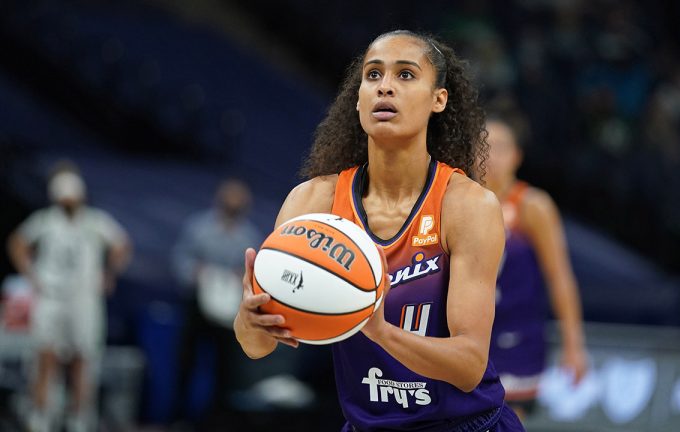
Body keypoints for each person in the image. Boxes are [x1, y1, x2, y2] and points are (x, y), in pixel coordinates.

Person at [234, 30, 525, 431]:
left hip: (464, 425)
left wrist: (380, 331)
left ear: (438, 99)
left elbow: (469, 366)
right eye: (373, 76)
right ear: (358, 99)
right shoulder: (312, 203)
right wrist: (251, 322)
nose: (385, 86)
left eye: (405, 75)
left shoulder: (466, 205)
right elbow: (257, 347)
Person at [6, 160, 132, 432]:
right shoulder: (45, 221)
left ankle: (79, 418)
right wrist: (30, 274)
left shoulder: (94, 221)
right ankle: (40, 417)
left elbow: (122, 245)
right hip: (51, 297)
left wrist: (110, 272)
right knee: (45, 357)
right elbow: (17, 242)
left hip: (84, 299)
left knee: (83, 359)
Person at [484, 117, 588, 420]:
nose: (490, 155)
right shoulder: (460, 200)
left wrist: (574, 345)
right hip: (470, 336)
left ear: (517, 156)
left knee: (504, 421)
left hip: (518, 336)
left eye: (500, 148)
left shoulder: (533, 205)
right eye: (483, 146)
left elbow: (560, 277)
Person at [170, 178, 264, 424]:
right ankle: (179, 417)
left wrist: (239, 278)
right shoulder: (199, 228)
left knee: (226, 366)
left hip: (230, 310)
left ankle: (218, 419)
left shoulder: (249, 235)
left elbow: (255, 272)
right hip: (198, 304)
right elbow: (181, 259)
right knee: (187, 360)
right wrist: (198, 273)